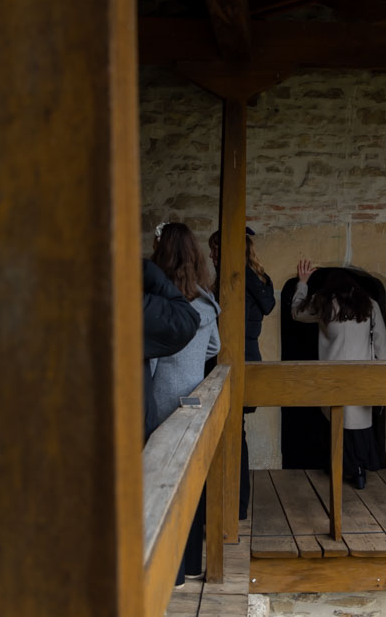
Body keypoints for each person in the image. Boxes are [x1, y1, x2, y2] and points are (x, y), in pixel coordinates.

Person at [149, 222, 221, 585]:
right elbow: (214, 348)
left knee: (161, 487)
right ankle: (192, 563)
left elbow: (150, 360)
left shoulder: (159, 306)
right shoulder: (206, 303)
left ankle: (172, 572)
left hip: (160, 402)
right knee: (192, 482)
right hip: (193, 398)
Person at [292, 261, 386, 489]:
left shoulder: (323, 301)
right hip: (362, 375)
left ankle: (340, 467)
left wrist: (303, 283)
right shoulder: (370, 304)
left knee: (336, 422)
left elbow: (297, 312)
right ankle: (360, 470)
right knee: (359, 423)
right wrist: (384, 375)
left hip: (332, 375)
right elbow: (381, 343)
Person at [208, 228, 276, 519]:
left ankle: (233, 504)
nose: (211, 255)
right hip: (242, 361)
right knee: (233, 432)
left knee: (232, 433)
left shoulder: (237, 281)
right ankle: (233, 504)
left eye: (216, 249)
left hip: (233, 362)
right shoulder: (257, 279)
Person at [142, 259, 200, 443]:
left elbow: (153, 363)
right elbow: (215, 345)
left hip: (162, 394)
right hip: (191, 387)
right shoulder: (207, 303)